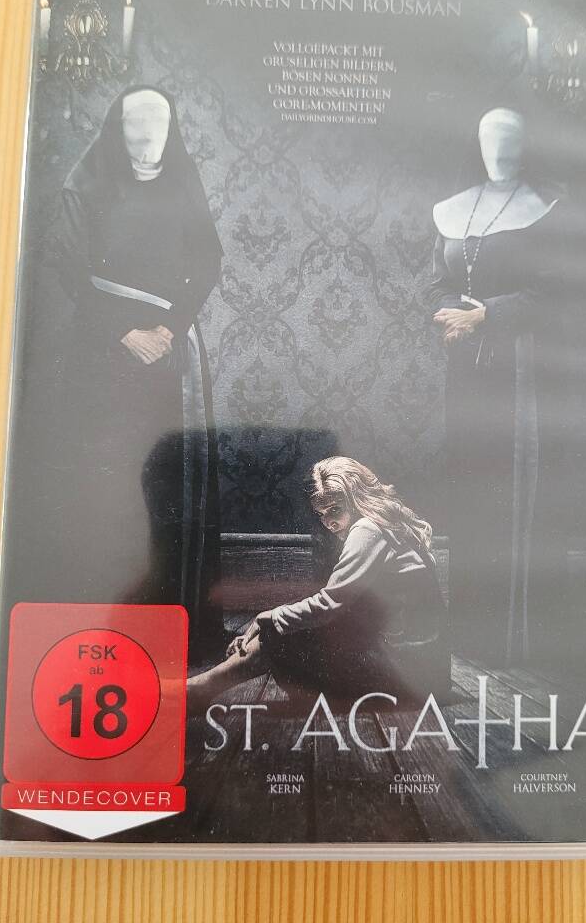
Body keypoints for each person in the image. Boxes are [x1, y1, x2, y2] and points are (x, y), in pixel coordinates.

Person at [48, 85, 222, 622]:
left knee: (164, 476)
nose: (147, 134)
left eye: (158, 123)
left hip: (169, 353)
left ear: (172, 130)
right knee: (106, 476)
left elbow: (209, 260)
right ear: (116, 129)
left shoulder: (182, 184)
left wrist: (169, 328)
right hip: (99, 351)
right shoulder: (88, 183)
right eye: (135, 123)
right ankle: (95, 610)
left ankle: (165, 609)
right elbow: (67, 263)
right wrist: (126, 332)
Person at [428, 107, 565, 664]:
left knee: (511, 489)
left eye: (509, 138)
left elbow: (554, 291)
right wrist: (450, 315)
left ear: (525, 143)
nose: (499, 148)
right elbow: (438, 280)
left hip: (520, 366)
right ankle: (469, 632)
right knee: (470, 485)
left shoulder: (546, 207)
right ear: (478, 143)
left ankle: (511, 639)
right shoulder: (456, 206)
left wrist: (486, 316)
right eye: (489, 137)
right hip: (467, 366)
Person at [186, 457, 449, 710]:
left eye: (335, 509)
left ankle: (202, 688)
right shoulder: (392, 525)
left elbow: (329, 603)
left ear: (357, 498)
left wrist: (266, 617)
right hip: (427, 674)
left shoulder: (368, 529)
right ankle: (204, 687)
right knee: (292, 626)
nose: (328, 522)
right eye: (321, 514)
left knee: (279, 632)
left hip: (407, 676)